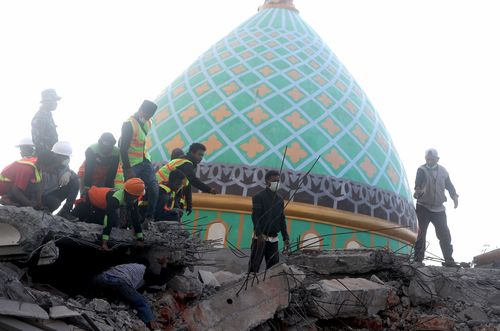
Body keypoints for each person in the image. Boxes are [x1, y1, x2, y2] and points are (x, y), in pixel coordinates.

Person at [413, 149, 459, 267]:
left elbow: (449, 185)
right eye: (427, 159)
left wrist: (454, 196)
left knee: (444, 233)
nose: (429, 161)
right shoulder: (421, 170)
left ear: (437, 159)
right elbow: (418, 182)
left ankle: (449, 260)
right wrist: (418, 190)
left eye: (432, 159)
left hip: (439, 209)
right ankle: (418, 259)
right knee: (422, 232)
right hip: (423, 206)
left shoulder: (443, 171)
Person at [95, 257, 168, 330]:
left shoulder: (127, 267)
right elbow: (160, 281)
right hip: (120, 281)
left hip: (102, 277)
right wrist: (163, 264)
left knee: (117, 294)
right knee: (142, 302)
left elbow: (138, 288)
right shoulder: (144, 269)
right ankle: (152, 325)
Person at [120, 100, 159, 223]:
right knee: (130, 191)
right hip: (132, 164)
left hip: (145, 160)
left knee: (154, 187)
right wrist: (127, 169)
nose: (147, 117)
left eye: (150, 115)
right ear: (141, 110)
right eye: (146, 114)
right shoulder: (128, 124)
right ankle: (126, 220)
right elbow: (123, 148)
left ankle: (149, 217)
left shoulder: (148, 123)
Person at [156, 143, 216, 216]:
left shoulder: (185, 164)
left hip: (165, 191)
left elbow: (187, 185)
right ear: (192, 152)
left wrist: (189, 205)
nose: (201, 158)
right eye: (199, 154)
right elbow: (193, 180)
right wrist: (209, 189)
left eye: (202, 155)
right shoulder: (186, 164)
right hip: (162, 190)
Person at [86, 178, 145, 250]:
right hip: (92, 197)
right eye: (137, 196)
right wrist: (104, 242)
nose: (138, 197)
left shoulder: (133, 199)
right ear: (130, 195)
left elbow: (135, 218)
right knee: (95, 220)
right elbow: (108, 219)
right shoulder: (115, 199)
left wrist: (140, 239)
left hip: (104, 204)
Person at [248, 170, 289, 273]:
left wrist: (285, 237)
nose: (277, 183)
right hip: (260, 238)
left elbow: (281, 219)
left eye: (278, 181)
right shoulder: (258, 197)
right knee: (254, 266)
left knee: (273, 267)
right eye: (274, 180)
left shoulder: (280, 200)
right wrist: (259, 234)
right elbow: (255, 217)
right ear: (267, 181)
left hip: (273, 239)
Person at [41, 141, 80, 220]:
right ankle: (43, 210)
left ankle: (65, 212)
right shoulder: (45, 164)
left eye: (67, 157)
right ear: (55, 155)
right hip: (41, 196)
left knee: (75, 181)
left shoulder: (63, 165)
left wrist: (69, 173)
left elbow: (73, 176)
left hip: (53, 192)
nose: (67, 159)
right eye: (64, 157)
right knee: (54, 202)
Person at [31, 89, 61, 155]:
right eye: (54, 101)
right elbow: (38, 142)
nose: (56, 103)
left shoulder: (48, 115)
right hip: (45, 158)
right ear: (47, 101)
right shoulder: (40, 118)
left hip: (52, 154)